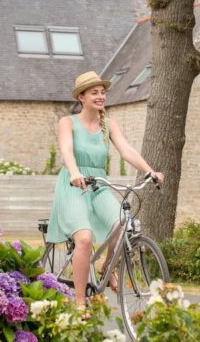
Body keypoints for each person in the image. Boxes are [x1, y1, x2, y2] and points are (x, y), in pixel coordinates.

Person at [47, 71, 164, 310]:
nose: (100, 96)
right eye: (94, 93)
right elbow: (67, 150)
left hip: (98, 185)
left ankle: (106, 266)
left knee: (124, 224)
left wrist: (150, 171)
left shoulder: (108, 125)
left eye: (102, 92)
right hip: (74, 185)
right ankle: (80, 302)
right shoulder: (68, 122)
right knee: (84, 239)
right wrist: (75, 172)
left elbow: (126, 150)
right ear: (81, 97)